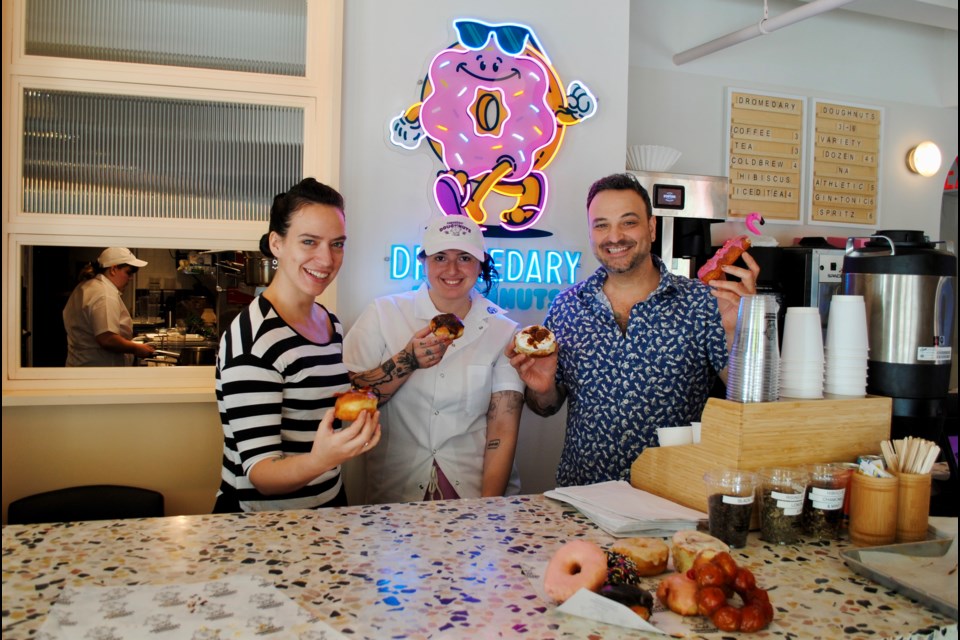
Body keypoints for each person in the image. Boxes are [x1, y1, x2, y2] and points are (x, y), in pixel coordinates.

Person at [506, 173, 760, 487]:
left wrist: (739, 332)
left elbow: (748, 402)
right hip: (585, 495)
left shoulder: (703, 303)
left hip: (673, 495)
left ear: (651, 228)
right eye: (601, 225)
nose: (614, 237)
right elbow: (546, 407)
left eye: (628, 222)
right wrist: (542, 390)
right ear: (590, 232)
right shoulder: (567, 307)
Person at [214, 178, 381, 512]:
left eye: (337, 244)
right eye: (309, 241)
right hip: (264, 525)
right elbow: (261, 474)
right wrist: (322, 459)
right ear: (277, 244)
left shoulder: (329, 322)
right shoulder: (254, 340)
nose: (327, 259)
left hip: (328, 504)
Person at [343, 215, 525, 504]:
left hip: (472, 488)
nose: (452, 269)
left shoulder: (504, 330)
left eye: (465, 257)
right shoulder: (383, 314)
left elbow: (502, 429)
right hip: (395, 488)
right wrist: (407, 360)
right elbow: (349, 404)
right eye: (440, 257)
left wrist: (487, 508)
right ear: (423, 261)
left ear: (481, 264)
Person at [62, 247, 157, 366]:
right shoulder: (105, 294)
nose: (131, 278)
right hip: (99, 369)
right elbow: (107, 339)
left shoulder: (85, 286)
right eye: (128, 272)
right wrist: (136, 348)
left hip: (81, 364)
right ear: (113, 269)